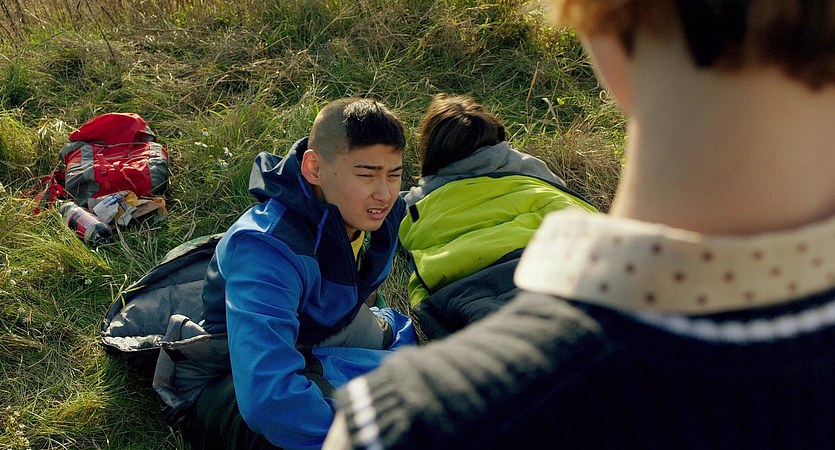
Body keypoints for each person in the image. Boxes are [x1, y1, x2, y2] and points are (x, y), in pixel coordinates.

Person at [324, 1, 835, 449]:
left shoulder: (400, 423)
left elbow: (405, 253)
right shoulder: (531, 174)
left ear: (599, 25)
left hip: (469, 301)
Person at [156, 98, 416, 450]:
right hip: (230, 372)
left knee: (411, 366)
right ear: (314, 168)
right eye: (366, 174)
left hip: (316, 328)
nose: (384, 193)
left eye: (394, 174)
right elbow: (268, 398)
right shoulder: (266, 249)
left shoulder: (365, 211)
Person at [400, 94, 596, 340]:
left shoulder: (417, 202)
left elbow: (405, 230)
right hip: (561, 255)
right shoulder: (530, 167)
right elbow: (561, 191)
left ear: (431, 150)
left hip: (473, 286)